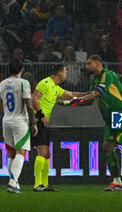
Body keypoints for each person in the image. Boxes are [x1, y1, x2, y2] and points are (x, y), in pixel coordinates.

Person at [58, 55, 122, 192]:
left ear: (98, 63)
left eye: (89, 64)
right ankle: (117, 182)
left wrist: (74, 101)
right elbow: (89, 100)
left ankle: (118, 182)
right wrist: (70, 103)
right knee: (107, 147)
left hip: (119, 114)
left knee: (109, 146)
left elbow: (96, 94)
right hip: (109, 117)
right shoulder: (95, 79)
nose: (86, 67)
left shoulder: (107, 75)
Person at [31, 64, 87, 192]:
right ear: (59, 73)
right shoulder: (45, 83)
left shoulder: (55, 87)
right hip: (38, 120)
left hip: (44, 122)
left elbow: (71, 94)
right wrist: (42, 116)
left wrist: (90, 94)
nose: (66, 74)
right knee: (42, 152)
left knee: (47, 154)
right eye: (65, 72)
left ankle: (44, 184)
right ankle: (37, 185)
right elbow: (34, 99)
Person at [0, 60, 38, 193]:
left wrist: (7, 115)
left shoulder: (2, 84)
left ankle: (13, 182)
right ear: (21, 69)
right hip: (20, 120)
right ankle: (13, 182)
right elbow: (29, 103)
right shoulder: (23, 83)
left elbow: (0, 104)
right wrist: (34, 122)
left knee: (11, 153)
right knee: (21, 152)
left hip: (6, 120)